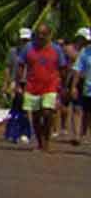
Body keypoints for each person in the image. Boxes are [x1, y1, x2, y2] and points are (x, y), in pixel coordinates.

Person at [18, 22, 69, 153]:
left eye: (43, 34)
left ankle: (47, 140)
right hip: (32, 86)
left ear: (49, 35)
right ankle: (40, 143)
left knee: (47, 112)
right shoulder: (28, 48)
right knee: (35, 116)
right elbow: (21, 64)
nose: (40, 37)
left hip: (50, 86)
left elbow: (63, 67)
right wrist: (19, 83)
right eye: (38, 34)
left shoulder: (56, 49)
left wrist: (64, 86)